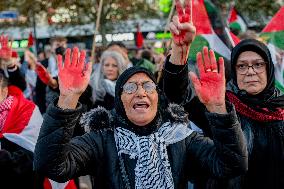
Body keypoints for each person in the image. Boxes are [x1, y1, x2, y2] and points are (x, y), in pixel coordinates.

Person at [34, 47, 248, 189]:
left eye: (148, 86)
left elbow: (232, 165)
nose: (140, 92)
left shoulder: (181, 137)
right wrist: (67, 99)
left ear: (157, 96)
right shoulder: (101, 139)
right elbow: (51, 166)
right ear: (120, 100)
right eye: (130, 87)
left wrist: (218, 107)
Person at [162, 2, 284, 188]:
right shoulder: (221, 105)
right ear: (234, 72)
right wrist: (180, 51)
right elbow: (177, 96)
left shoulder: (281, 109)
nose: (250, 71)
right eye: (242, 66)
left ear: (269, 69)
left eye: (258, 64)